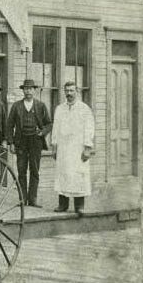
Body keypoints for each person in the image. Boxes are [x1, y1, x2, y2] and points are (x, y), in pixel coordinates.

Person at [6, 79, 52, 208]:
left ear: (34, 90)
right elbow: (9, 125)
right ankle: (22, 199)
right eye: (26, 89)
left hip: (35, 142)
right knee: (21, 171)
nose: (28, 91)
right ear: (23, 91)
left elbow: (49, 124)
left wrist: (42, 132)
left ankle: (33, 199)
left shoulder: (40, 106)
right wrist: (11, 142)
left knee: (34, 170)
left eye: (30, 89)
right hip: (21, 142)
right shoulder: (16, 106)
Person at [51, 81, 95, 216]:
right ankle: (63, 204)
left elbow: (89, 129)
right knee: (63, 174)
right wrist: (54, 146)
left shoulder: (84, 109)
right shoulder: (60, 109)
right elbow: (55, 129)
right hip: (63, 148)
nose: (69, 93)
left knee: (78, 175)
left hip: (77, 148)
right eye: (67, 91)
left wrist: (87, 148)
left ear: (77, 91)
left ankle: (79, 206)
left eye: (71, 91)